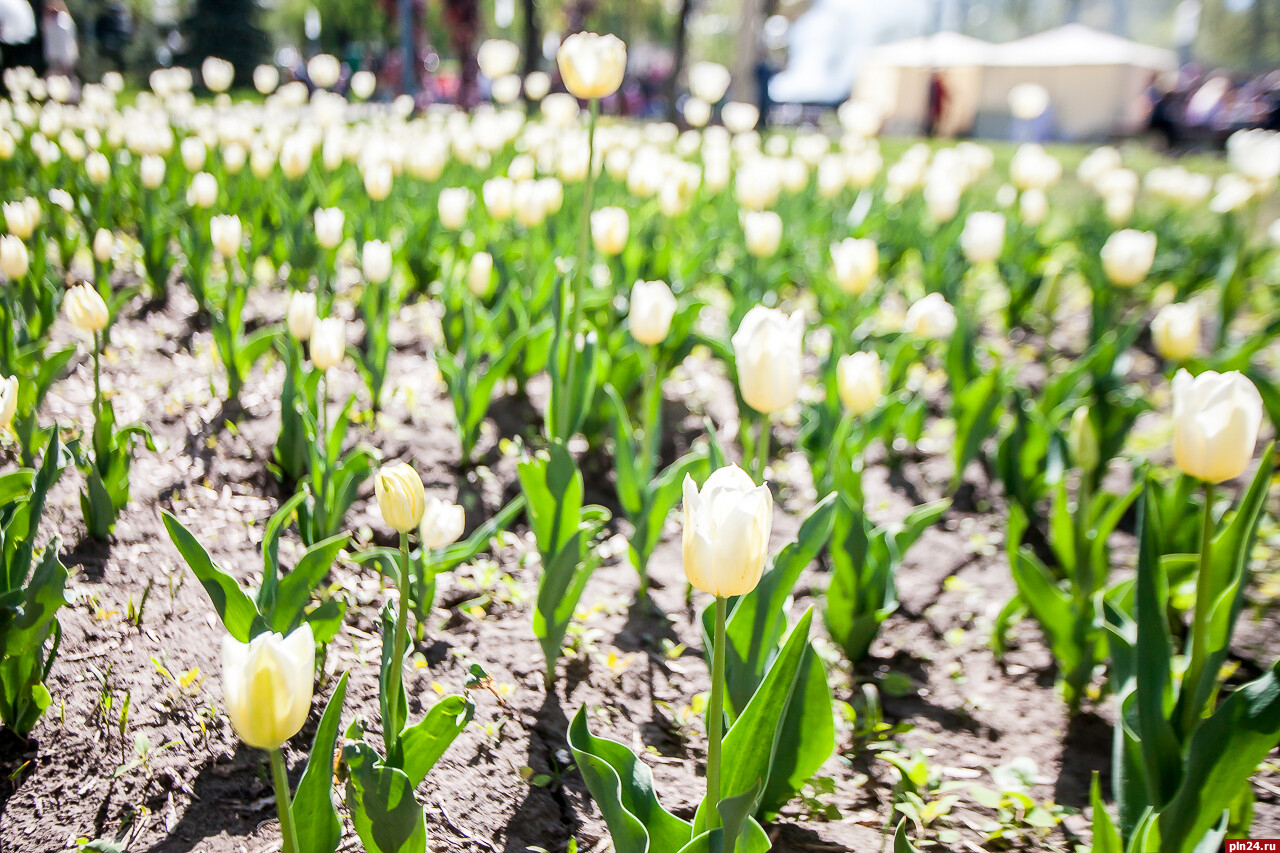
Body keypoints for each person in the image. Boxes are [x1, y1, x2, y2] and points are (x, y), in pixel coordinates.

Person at [42, 0, 78, 78]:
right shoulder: (49, 19)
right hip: (53, 59)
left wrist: (64, 61)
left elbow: (66, 41)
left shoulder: (63, 19)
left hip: (63, 60)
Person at [925, 70, 947, 137]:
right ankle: (929, 134)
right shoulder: (934, 85)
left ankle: (933, 134)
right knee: (932, 122)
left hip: (938, 107)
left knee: (936, 122)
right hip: (934, 107)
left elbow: (944, 95)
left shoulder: (939, 85)